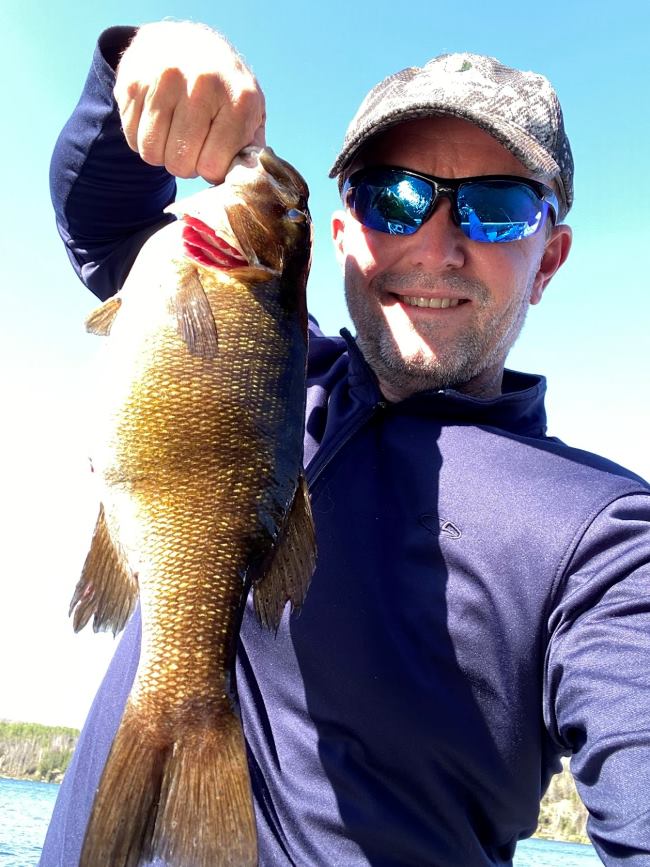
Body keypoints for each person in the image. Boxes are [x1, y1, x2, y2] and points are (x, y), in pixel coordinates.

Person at [42, 21, 650, 867]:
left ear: (548, 258)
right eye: (392, 196)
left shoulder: (608, 543)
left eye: (497, 207)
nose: (436, 246)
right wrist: (137, 66)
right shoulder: (271, 363)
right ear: (339, 236)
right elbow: (101, 217)